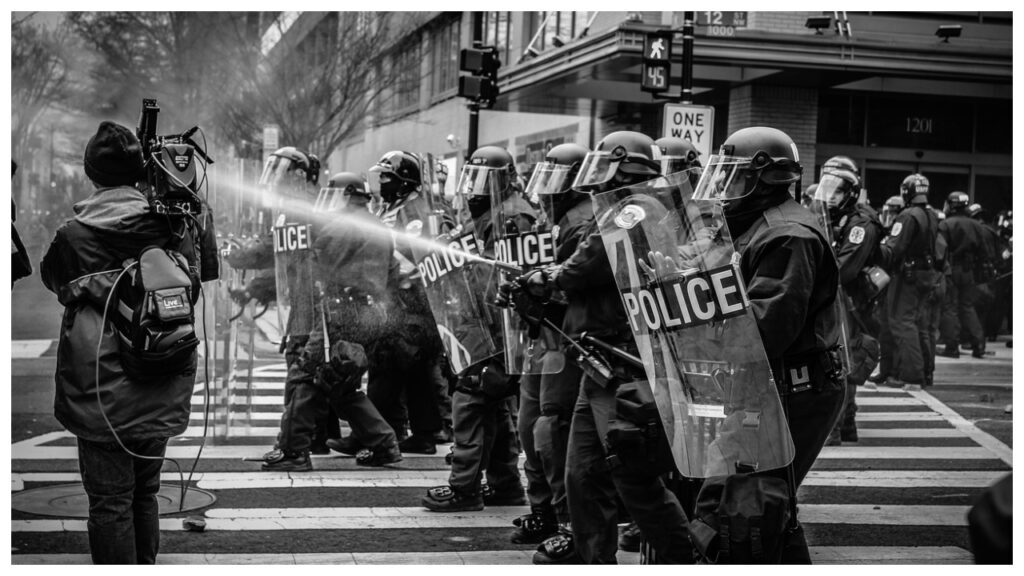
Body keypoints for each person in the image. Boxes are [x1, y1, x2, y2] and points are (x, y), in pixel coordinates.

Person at [40, 121, 217, 563]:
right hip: (161, 377)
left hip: (99, 390)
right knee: (145, 494)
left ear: (90, 173)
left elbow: (52, 279)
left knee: (109, 501)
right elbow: (200, 278)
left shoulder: (73, 236)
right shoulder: (175, 225)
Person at [520, 131, 692, 564]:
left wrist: (549, 276)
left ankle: (682, 556)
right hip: (596, 358)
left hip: (620, 360)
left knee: (630, 472)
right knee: (582, 469)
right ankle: (592, 555)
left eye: (605, 169)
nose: (594, 181)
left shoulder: (636, 208)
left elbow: (589, 263)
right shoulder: (623, 207)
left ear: (624, 167)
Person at [693, 126, 846, 563]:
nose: (723, 188)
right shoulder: (757, 228)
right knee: (762, 505)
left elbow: (764, 329)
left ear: (763, 179)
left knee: (739, 506)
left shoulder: (787, 235)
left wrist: (695, 321)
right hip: (770, 385)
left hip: (792, 388)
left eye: (732, 177)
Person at [422, 146, 530, 513]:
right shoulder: (496, 212)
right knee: (495, 407)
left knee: (470, 399)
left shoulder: (513, 218)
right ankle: (505, 485)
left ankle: (464, 488)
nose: (473, 189)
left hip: (495, 330)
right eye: (471, 179)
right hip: (493, 328)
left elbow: (498, 278)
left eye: (483, 180)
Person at [507, 143, 592, 548]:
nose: (545, 190)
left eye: (556, 179)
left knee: (551, 430)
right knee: (528, 427)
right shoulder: (552, 218)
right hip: (541, 340)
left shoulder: (584, 221)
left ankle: (566, 521)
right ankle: (542, 509)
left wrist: (540, 292)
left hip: (566, 341)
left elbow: (576, 285)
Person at [348, 150, 449, 455]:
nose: (381, 182)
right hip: (400, 298)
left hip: (409, 300)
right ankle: (424, 434)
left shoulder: (413, 211)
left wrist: (377, 273)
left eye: (387, 177)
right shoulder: (395, 207)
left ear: (405, 180)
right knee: (415, 372)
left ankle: (369, 433)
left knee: (385, 364)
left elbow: (410, 255)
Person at [815, 157, 883, 445]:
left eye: (837, 190)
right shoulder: (833, 217)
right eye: (827, 188)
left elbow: (844, 269)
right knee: (841, 360)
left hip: (849, 300)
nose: (830, 196)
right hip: (840, 297)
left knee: (838, 361)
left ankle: (834, 427)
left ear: (852, 193)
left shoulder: (860, 224)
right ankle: (847, 424)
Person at [873, 173, 941, 390]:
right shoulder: (930, 214)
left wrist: (874, 249)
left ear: (906, 191)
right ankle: (903, 370)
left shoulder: (908, 215)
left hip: (907, 276)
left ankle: (910, 375)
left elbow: (894, 248)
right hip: (925, 274)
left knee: (901, 322)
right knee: (914, 323)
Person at [937, 192, 992, 359]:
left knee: (949, 308)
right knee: (967, 307)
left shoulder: (946, 225)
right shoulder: (976, 225)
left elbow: (940, 250)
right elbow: (984, 251)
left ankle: (952, 347)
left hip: (951, 269)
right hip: (968, 271)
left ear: (951, 205)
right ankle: (979, 345)